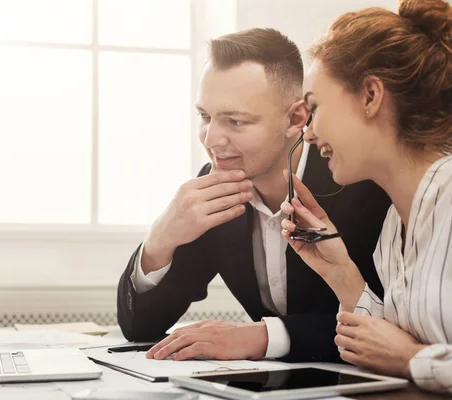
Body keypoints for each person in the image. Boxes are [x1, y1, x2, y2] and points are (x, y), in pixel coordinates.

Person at [116, 28, 391, 363]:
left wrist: (265, 336)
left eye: (235, 121)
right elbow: (140, 327)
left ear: (295, 118)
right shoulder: (213, 191)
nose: (212, 139)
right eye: (205, 117)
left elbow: (388, 324)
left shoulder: (359, 181)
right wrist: (160, 239)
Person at [279, 0, 452, 393]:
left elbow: (403, 352)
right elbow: (388, 342)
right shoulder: (395, 226)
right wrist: (339, 270)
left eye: (315, 108)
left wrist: (413, 360)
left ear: (371, 95)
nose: (307, 133)